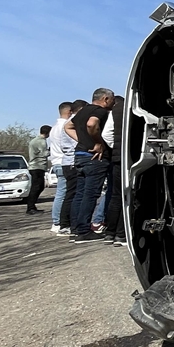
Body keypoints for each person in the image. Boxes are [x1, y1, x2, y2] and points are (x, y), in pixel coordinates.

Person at [66, 88, 114, 245]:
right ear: (105, 99)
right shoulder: (100, 111)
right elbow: (92, 124)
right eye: (112, 100)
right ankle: (84, 231)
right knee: (90, 194)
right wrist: (97, 142)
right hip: (94, 158)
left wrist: (82, 140)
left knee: (79, 194)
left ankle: (75, 229)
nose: (113, 104)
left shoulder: (82, 111)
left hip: (79, 156)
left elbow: (67, 127)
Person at [101, 95, 127, 246]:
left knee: (115, 196)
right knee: (130, 196)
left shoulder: (115, 110)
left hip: (117, 159)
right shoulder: (133, 107)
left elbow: (106, 134)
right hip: (131, 158)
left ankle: (109, 233)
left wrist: (115, 147)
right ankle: (121, 234)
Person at [48, 102, 77, 234]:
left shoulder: (54, 127)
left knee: (62, 193)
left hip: (56, 161)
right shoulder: (64, 127)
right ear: (69, 111)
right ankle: (58, 222)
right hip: (63, 161)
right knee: (64, 193)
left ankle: (57, 221)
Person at [25, 125, 51, 214]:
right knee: (37, 187)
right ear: (48, 132)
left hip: (34, 166)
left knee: (39, 186)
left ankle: (32, 206)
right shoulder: (42, 142)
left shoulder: (34, 140)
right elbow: (44, 154)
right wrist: (51, 151)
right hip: (38, 166)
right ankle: (30, 207)